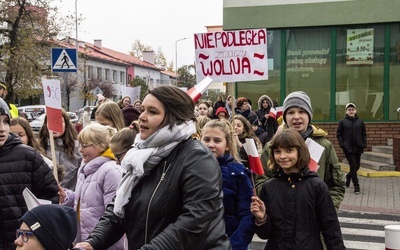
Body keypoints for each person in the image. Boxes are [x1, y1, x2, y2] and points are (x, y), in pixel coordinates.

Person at [74, 85, 231, 249]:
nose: (142, 116)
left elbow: (195, 220)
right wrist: (93, 242)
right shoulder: (138, 155)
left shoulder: (197, 158)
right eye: (142, 110)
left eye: (152, 112)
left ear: (174, 118)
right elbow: (119, 208)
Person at [250, 129, 345, 249]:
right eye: (277, 151)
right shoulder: (268, 187)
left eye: (289, 150)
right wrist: (261, 218)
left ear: (300, 151)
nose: (283, 156)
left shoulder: (317, 186)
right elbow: (265, 234)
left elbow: (331, 229)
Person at [255, 91, 345, 210]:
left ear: (309, 115)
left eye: (301, 111)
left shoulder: (324, 146)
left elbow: (336, 186)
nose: (296, 117)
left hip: (313, 220)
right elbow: (261, 182)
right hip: (281, 217)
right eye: (291, 112)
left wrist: (326, 209)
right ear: (285, 117)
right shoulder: (272, 147)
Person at [0, 98, 59, 249]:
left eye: (5, 121)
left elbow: (49, 200)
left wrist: (34, 236)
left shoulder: (28, 156)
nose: (2, 128)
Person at [59, 123, 124, 249]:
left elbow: (113, 215)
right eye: (80, 145)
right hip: (84, 240)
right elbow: (85, 203)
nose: (80, 150)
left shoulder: (111, 171)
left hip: (104, 242)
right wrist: (67, 196)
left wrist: (98, 240)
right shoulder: (84, 168)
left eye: (85, 145)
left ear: (99, 146)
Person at [201, 119, 254, 250]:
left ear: (228, 145)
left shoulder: (238, 173)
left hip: (230, 242)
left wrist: (234, 246)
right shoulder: (191, 170)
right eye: (206, 140)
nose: (211, 144)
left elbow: (247, 215)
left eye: (217, 141)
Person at [10, 117, 65, 181]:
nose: (17, 138)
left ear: (28, 136)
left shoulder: (36, 156)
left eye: (21, 135)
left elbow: (53, 171)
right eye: (12, 135)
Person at [39, 110, 82, 190]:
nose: (55, 126)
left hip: (70, 197)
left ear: (66, 124)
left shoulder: (78, 148)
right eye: (51, 122)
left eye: (59, 122)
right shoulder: (39, 148)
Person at [337, 102, 367, 194]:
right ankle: (356, 185)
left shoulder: (360, 122)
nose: (351, 111)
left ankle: (349, 176)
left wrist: (364, 143)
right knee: (353, 165)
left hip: (358, 147)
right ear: (346, 111)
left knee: (357, 166)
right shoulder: (342, 122)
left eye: (352, 109)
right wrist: (342, 144)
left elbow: (364, 134)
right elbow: (339, 134)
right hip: (348, 148)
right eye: (349, 110)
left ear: (355, 110)